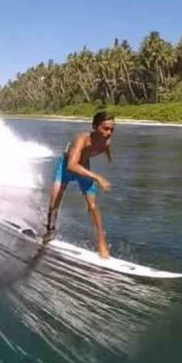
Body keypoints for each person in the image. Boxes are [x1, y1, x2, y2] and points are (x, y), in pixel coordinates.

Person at [44, 110, 115, 258]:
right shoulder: (81, 140)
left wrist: (109, 157)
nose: (109, 133)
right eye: (105, 128)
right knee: (54, 203)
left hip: (84, 167)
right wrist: (98, 177)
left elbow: (106, 147)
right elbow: (71, 165)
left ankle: (101, 244)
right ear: (95, 126)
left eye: (112, 129)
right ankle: (49, 231)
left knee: (93, 207)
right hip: (65, 168)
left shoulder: (106, 141)